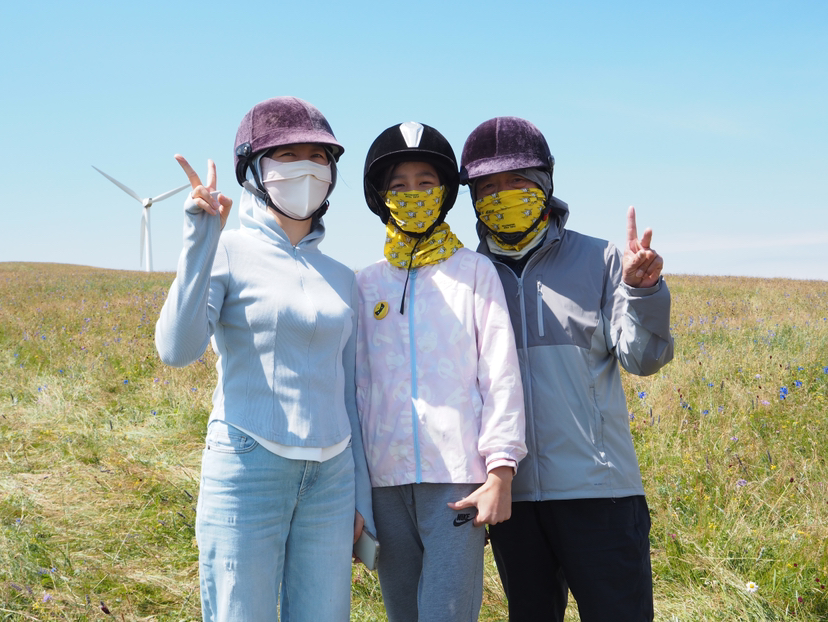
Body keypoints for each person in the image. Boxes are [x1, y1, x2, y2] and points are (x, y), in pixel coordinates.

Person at [154, 96, 374, 622]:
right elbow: (176, 349)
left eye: (319, 156)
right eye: (288, 154)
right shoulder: (228, 250)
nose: (307, 168)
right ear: (253, 169)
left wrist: (360, 496)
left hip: (332, 475)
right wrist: (201, 238)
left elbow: (349, 390)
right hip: (248, 461)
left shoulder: (343, 276)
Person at [459, 116, 674, 622]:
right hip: (511, 497)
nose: (502, 194)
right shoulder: (467, 275)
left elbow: (642, 358)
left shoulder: (600, 259)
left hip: (600, 492)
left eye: (517, 180)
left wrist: (643, 292)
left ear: (545, 182)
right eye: (488, 187)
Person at [355, 121, 527, 622]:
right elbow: (355, 390)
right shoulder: (364, 285)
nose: (413, 194)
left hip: (458, 482)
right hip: (384, 484)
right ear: (380, 196)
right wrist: (354, 489)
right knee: (402, 612)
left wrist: (500, 470)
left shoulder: (474, 272)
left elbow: (500, 374)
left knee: (446, 613)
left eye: (426, 182)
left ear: (446, 190)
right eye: (399, 185)